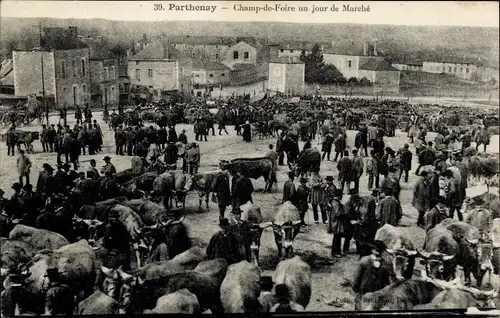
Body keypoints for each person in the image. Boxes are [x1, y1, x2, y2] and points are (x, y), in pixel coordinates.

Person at [352, 241, 393, 310]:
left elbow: (357, 277)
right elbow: (388, 281)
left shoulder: (364, 261)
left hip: (365, 291)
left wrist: (355, 287)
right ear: (383, 252)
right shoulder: (386, 264)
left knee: (360, 307)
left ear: (372, 249)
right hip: (378, 292)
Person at [328, 188, 349, 258]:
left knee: (337, 238)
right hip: (336, 223)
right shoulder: (336, 203)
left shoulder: (335, 202)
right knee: (337, 238)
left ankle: (337, 251)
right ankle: (335, 252)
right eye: (341, 195)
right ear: (338, 196)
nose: (342, 197)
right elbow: (338, 213)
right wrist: (344, 211)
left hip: (337, 223)